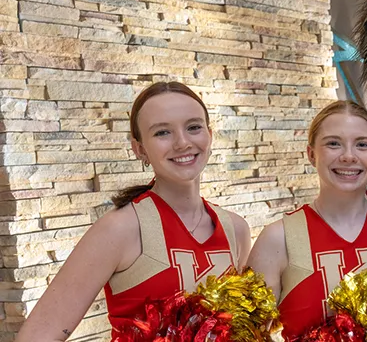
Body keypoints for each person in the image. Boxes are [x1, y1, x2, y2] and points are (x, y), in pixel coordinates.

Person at [17, 82, 251, 342]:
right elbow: (36, 336)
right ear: (140, 149)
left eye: (193, 127)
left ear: (209, 135)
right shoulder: (120, 229)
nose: (183, 142)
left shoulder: (235, 229)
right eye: (162, 132)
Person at [247, 100, 367, 340]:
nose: (348, 156)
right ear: (311, 154)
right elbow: (250, 334)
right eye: (333, 143)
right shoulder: (277, 238)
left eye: (362, 144)